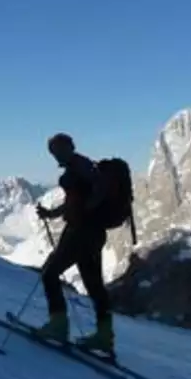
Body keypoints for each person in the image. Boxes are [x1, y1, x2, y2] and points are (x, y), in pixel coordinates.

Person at [35, 133, 115, 354]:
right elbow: (75, 199)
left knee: (50, 274)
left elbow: (94, 192)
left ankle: (58, 326)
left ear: (68, 148)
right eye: (53, 152)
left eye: (58, 151)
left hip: (81, 233)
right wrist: (52, 213)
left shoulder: (79, 167)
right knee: (94, 285)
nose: (56, 156)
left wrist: (84, 212)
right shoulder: (80, 167)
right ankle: (104, 336)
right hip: (93, 233)